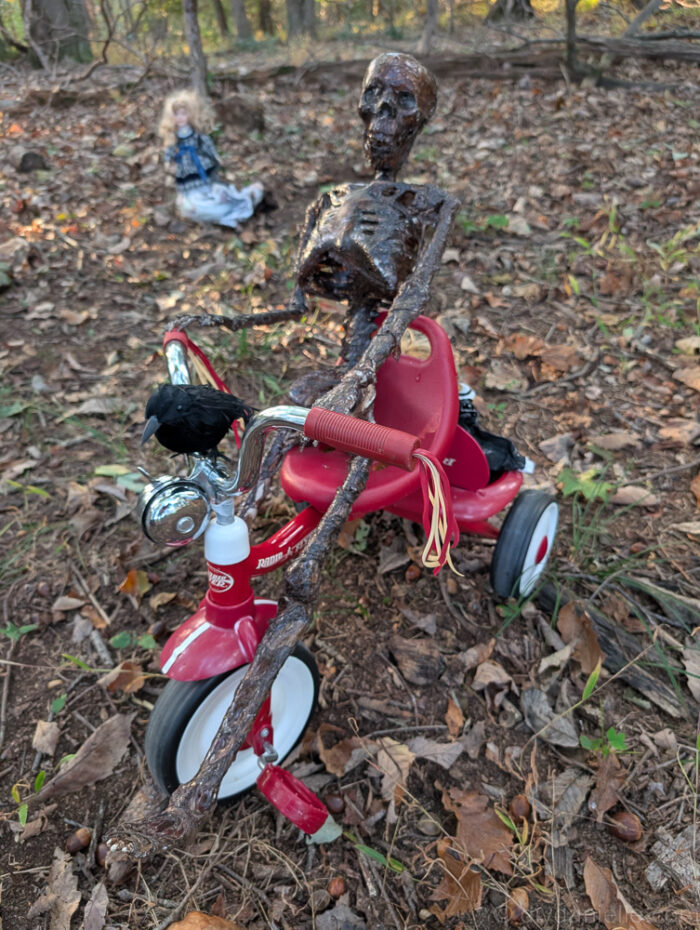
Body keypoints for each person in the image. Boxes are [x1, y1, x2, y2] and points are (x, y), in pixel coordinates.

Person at [157, 89, 264, 228]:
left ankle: (240, 200)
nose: (180, 118)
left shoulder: (197, 134)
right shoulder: (173, 137)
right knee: (190, 207)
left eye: (184, 113)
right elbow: (170, 150)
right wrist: (167, 162)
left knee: (216, 192)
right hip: (186, 177)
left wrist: (215, 156)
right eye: (176, 114)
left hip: (203, 170)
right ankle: (228, 210)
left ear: (192, 114)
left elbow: (207, 144)